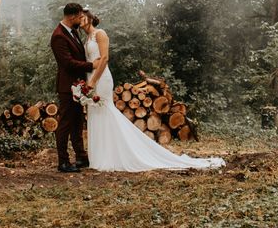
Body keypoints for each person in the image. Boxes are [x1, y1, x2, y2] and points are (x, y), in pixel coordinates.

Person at [81, 9, 225, 172]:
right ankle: (101, 155)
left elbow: (105, 59)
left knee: (105, 111)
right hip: (90, 77)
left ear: (90, 18)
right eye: (78, 17)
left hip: (101, 78)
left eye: (82, 17)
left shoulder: (100, 33)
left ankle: (118, 154)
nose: (80, 20)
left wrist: (93, 81)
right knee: (95, 113)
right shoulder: (86, 39)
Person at [50, 3, 101, 173]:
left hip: (78, 85)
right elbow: (67, 63)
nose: (81, 19)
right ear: (71, 16)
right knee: (65, 123)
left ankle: (81, 157)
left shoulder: (73, 32)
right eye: (79, 16)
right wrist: (91, 65)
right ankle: (63, 162)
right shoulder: (58, 36)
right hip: (67, 86)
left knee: (77, 122)